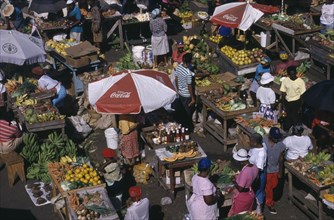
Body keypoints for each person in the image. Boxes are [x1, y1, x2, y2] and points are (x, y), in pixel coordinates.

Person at [228, 148, 259, 217]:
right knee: (246, 215)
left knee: (239, 216)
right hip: (250, 194)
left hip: (242, 198)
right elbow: (256, 178)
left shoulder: (245, 171)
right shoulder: (255, 166)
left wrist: (234, 181)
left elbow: (240, 188)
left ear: (242, 162)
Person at [264, 127, 286, 215]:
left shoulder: (281, 145)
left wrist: (280, 172)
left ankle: (268, 198)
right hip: (266, 169)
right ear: (270, 136)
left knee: (274, 185)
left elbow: (281, 159)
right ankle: (270, 203)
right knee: (268, 187)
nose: (277, 139)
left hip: (275, 169)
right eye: (275, 138)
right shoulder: (263, 142)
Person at [174, 53, 196, 132]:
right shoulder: (188, 73)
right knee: (187, 112)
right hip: (187, 95)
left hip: (181, 93)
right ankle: (187, 128)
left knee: (182, 109)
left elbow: (176, 79)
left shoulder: (179, 67)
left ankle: (183, 124)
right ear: (189, 61)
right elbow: (189, 86)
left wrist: (178, 89)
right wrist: (193, 98)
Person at [280, 66, 306, 131]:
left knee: (295, 118)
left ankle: (295, 131)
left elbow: (303, 95)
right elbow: (283, 93)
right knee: (288, 117)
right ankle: (287, 130)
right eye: (291, 75)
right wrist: (283, 105)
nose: (293, 76)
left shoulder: (301, 82)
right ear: (288, 74)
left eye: (294, 74)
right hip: (287, 102)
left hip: (296, 102)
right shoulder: (285, 81)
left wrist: (301, 106)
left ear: (296, 73)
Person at [248, 133, 267, 215]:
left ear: (255, 143)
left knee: (258, 192)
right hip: (253, 171)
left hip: (258, 174)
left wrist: (252, 180)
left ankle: (258, 212)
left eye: (251, 141)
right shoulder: (258, 146)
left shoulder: (261, 154)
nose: (249, 143)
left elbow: (258, 170)